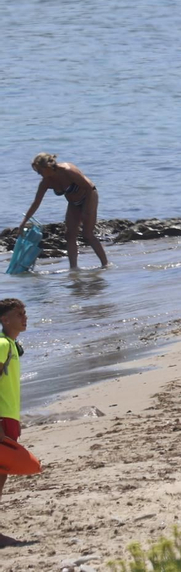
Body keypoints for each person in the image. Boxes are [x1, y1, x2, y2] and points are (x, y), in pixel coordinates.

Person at [20, 153, 107, 270]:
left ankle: (105, 264)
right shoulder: (46, 182)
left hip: (89, 196)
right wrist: (24, 221)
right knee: (69, 234)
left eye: (40, 171)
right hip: (73, 203)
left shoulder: (68, 170)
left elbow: (88, 187)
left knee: (87, 234)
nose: (39, 174)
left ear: (47, 166)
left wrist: (86, 209)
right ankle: (74, 268)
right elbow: (36, 203)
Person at [0, 297, 27, 547]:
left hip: (10, 417)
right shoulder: (2, 344)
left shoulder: (11, 344)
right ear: (4, 319)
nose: (24, 317)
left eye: (24, 312)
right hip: (2, 418)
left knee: (2, 474)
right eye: (19, 314)